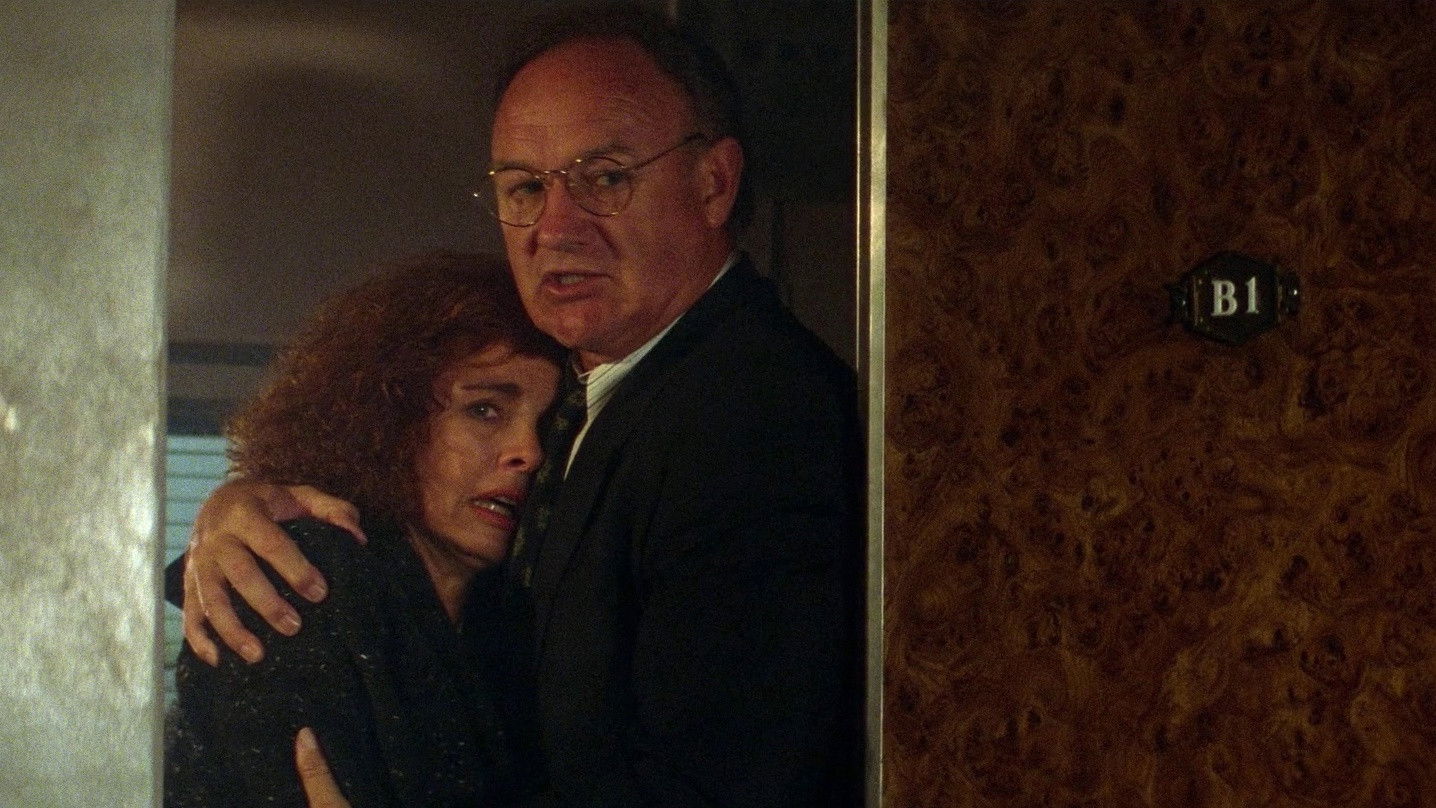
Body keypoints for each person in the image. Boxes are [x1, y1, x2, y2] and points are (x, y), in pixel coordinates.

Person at [178, 7, 863, 806]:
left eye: (605, 178)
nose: (555, 228)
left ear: (713, 183)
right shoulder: (604, 393)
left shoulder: (752, 408)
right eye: (526, 188)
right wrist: (239, 508)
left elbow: (715, 785)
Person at [164, 252, 563, 807]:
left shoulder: (514, 622)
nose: (529, 452)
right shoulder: (304, 578)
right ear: (386, 417)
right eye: (485, 410)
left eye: (548, 425)